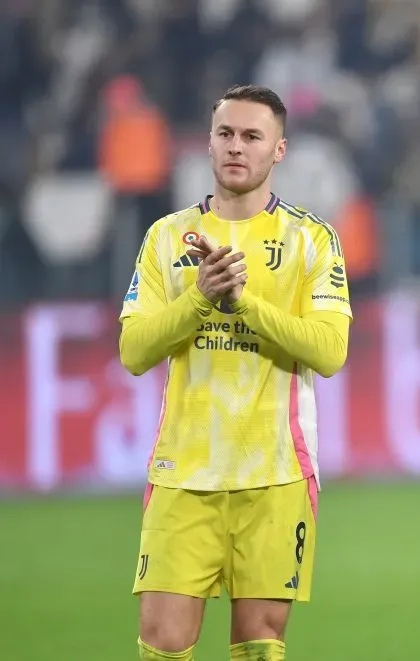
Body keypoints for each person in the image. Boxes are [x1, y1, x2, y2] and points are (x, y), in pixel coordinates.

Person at [118, 84, 353, 661]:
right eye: (225, 133)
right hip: (182, 474)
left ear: (279, 150)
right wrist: (201, 297)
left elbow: (329, 351)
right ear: (208, 143)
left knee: (258, 650)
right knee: (162, 645)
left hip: (276, 476)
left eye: (252, 136)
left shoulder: (312, 240)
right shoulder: (166, 237)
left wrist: (242, 304)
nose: (236, 147)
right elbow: (134, 351)